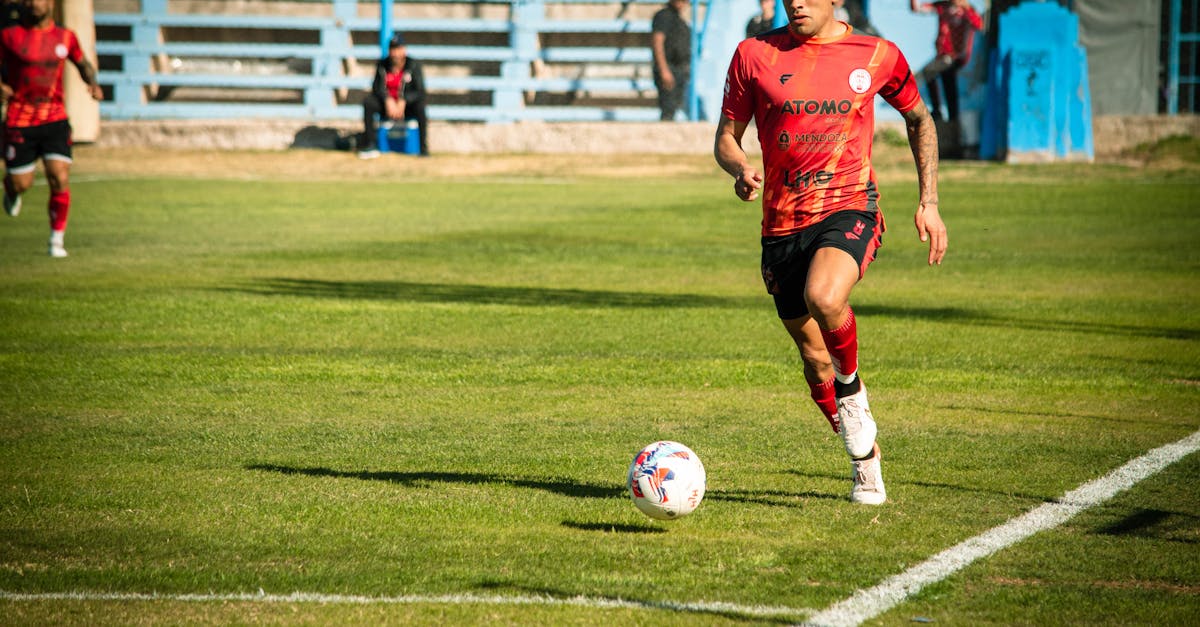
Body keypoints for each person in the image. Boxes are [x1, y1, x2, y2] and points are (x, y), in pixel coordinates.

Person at [714, 0, 947, 504]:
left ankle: (853, 388)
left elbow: (920, 120)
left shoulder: (877, 53)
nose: (795, 2)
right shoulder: (754, 54)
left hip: (849, 208)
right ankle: (865, 463)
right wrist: (739, 168)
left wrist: (928, 201)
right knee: (814, 358)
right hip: (780, 227)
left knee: (825, 296)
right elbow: (726, 138)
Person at [0, 0, 103, 258]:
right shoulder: (10, 36)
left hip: (54, 118)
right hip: (20, 118)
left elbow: (83, 64)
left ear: (51, 3)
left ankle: (56, 240)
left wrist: (93, 83)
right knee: (21, 182)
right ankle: (12, 190)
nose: (35, 3)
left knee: (59, 176)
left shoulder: (65, 37)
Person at [910, 0, 983, 123]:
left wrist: (965, 8)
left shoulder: (967, 10)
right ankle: (949, 116)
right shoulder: (942, 6)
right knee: (946, 81)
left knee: (930, 71)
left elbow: (979, 25)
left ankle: (943, 113)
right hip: (943, 55)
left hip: (957, 56)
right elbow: (917, 9)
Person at [359, 33, 427, 158]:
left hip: (406, 107)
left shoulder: (413, 65)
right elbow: (376, 88)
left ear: (404, 49)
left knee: (421, 106)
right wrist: (387, 99)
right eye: (393, 49)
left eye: (398, 49)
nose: (395, 53)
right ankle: (371, 144)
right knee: (368, 102)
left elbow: (420, 91)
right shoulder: (382, 65)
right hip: (387, 107)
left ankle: (423, 148)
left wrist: (404, 100)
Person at [650, 0, 690, 121]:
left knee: (674, 108)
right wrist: (664, 70)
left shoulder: (679, 19)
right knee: (668, 109)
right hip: (669, 67)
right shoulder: (663, 16)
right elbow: (657, 42)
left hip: (679, 69)